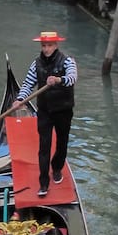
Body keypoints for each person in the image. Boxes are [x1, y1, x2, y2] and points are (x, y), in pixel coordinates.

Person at [11, 30, 77, 197]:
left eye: (49, 45)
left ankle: (56, 168)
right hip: (45, 110)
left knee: (62, 143)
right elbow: (28, 84)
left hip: (63, 110)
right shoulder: (36, 64)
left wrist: (58, 79)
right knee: (44, 146)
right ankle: (43, 182)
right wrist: (20, 99)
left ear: (56, 45)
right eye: (44, 45)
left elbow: (72, 78)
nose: (46, 49)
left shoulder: (67, 61)